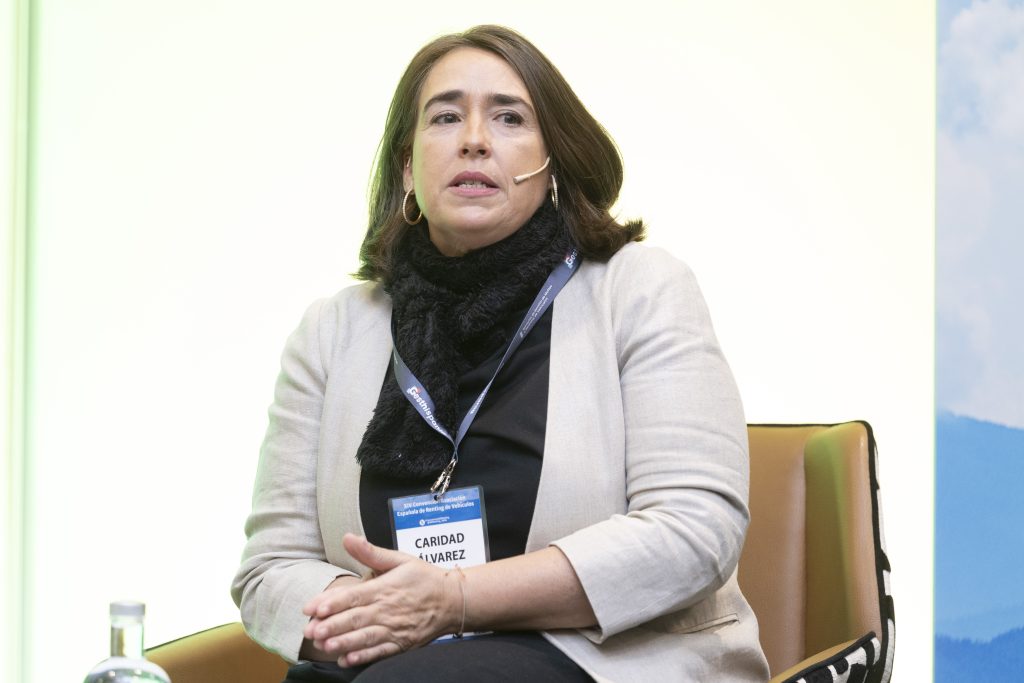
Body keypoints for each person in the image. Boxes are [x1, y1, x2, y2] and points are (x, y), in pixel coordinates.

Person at [232, 25, 770, 682]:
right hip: (386, 665)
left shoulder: (640, 289)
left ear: (553, 162)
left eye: (509, 117)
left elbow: (695, 530)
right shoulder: (332, 330)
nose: (474, 139)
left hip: (605, 660)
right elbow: (271, 568)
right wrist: (383, 617)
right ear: (408, 168)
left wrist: (454, 600)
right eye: (445, 116)